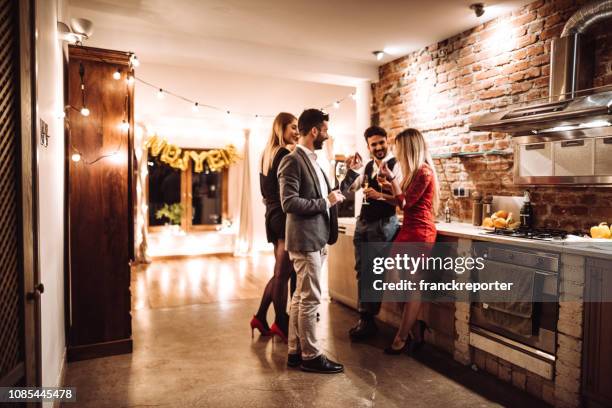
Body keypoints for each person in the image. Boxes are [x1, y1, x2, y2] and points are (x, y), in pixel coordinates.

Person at [278, 109, 345, 374]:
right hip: (305, 240)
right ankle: (311, 355)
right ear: (315, 131)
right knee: (311, 299)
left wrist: (346, 179)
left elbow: (330, 196)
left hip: (317, 238)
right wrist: (324, 202)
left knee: (300, 296)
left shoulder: (315, 161)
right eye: (325, 130)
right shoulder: (292, 161)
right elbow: (289, 202)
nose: (327, 135)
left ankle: (295, 351)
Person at [377, 128, 439, 355]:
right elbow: (401, 199)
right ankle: (415, 327)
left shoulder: (424, 171)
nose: (396, 151)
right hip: (408, 230)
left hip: (420, 233)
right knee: (395, 281)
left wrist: (391, 180)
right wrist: (387, 184)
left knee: (411, 285)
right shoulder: (414, 172)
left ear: (409, 147)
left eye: (399, 147)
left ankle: (402, 337)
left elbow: (405, 204)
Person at [340, 126, 401, 341]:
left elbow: (400, 196)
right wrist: (350, 170)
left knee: (373, 272)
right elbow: (347, 189)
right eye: (373, 144)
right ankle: (365, 318)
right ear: (368, 147)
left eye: (381, 143)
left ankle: (367, 319)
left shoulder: (396, 165)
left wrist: (378, 194)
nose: (378, 147)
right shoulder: (366, 166)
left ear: (388, 141)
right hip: (363, 223)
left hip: (383, 224)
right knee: (362, 270)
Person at [250, 112, 299, 341]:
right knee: (283, 273)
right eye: (293, 127)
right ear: (281, 129)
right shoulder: (285, 153)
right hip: (283, 215)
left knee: (281, 271)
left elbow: (264, 192)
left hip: (271, 214)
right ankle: (281, 321)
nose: (297, 132)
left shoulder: (266, 154)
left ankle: (260, 316)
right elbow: (288, 191)